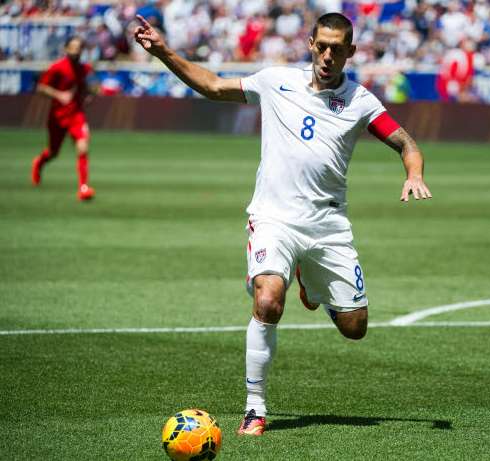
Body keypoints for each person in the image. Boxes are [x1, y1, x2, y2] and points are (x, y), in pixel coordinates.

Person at [134, 12, 432, 436]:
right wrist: (163, 51)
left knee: (355, 328)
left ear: (351, 51)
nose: (328, 55)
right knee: (270, 299)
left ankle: (313, 285)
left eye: (337, 48)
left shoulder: (361, 100)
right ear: (310, 43)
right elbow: (213, 86)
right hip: (273, 218)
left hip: (328, 224)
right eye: (321, 45)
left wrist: (414, 173)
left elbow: (406, 142)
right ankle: (255, 408)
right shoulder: (276, 80)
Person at [31, 36, 95, 201]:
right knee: (53, 153)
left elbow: (86, 87)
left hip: (76, 115)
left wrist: (88, 94)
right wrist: (59, 95)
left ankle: (83, 187)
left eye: (79, 47)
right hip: (58, 116)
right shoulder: (57, 68)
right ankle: (39, 162)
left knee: (83, 146)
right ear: (66, 49)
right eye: (72, 47)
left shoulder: (84, 69)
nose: (76, 51)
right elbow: (41, 88)